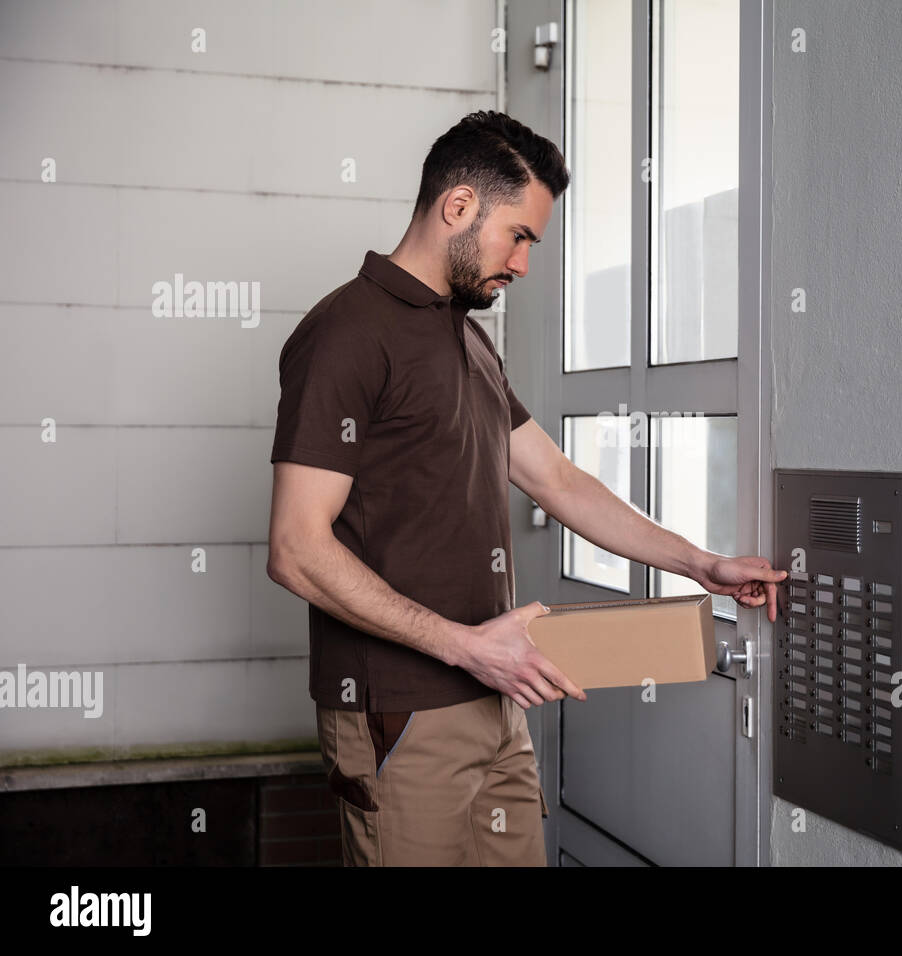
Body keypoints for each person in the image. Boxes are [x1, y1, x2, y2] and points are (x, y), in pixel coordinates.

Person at [266, 110, 785, 866]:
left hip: (498, 705)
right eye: (520, 236)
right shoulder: (347, 332)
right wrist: (464, 647)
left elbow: (559, 480)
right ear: (458, 207)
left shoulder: (468, 338)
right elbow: (296, 548)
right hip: (399, 716)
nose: (524, 263)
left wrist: (702, 565)